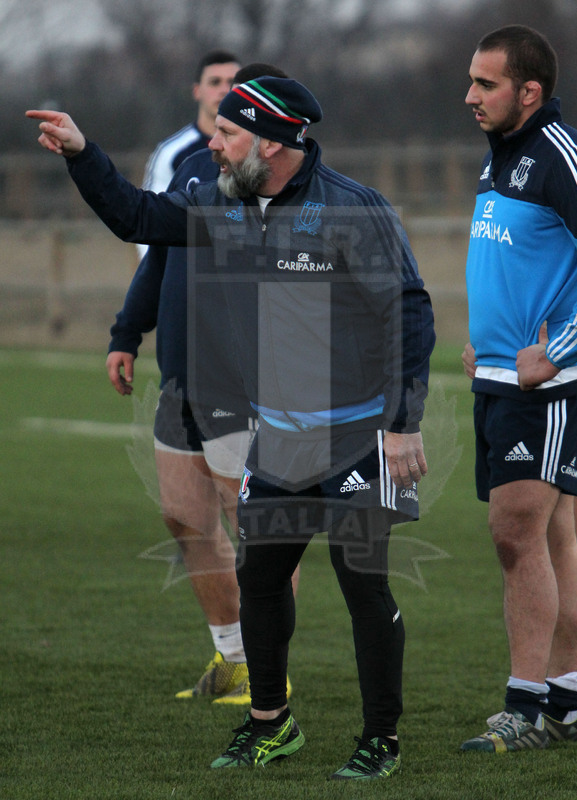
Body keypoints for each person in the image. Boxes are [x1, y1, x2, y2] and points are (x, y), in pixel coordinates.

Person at [27, 74, 435, 781]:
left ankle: (381, 739)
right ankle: (271, 723)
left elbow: (410, 312)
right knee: (261, 579)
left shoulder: (352, 209)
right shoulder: (221, 201)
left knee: (363, 586)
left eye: (227, 133)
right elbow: (136, 217)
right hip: (274, 436)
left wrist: (402, 424)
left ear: (271, 144)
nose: (212, 144)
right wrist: (82, 153)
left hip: (358, 436)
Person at [107, 63, 291, 706]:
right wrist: (128, 331)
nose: (220, 129)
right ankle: (233, 657)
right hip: (181, 373)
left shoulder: (286, 188)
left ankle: (271, 670)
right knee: (184, 517)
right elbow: (158, 254)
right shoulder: (192, 168)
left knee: (258, 531)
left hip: (245, 383)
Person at [460, 24, 577, 753]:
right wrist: (485, 339)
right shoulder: (500, 156)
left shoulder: (564, 155)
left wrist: (558, 351)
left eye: (486, 83)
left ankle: (524, 709)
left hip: (547, 387)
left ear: (530, 91)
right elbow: (519, 263)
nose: (470, 95)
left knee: (515, 534)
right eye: (472, 81)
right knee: (555, 536)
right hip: (500, 377)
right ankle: (568, 701)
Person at [137, 49, 240, 258]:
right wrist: (162, 273)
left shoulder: (260, 148)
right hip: (189, 271)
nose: (224, 90)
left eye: (231, 82)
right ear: (197, 91)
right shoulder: (171, 153)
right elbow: (150, 219)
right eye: (215, 82)